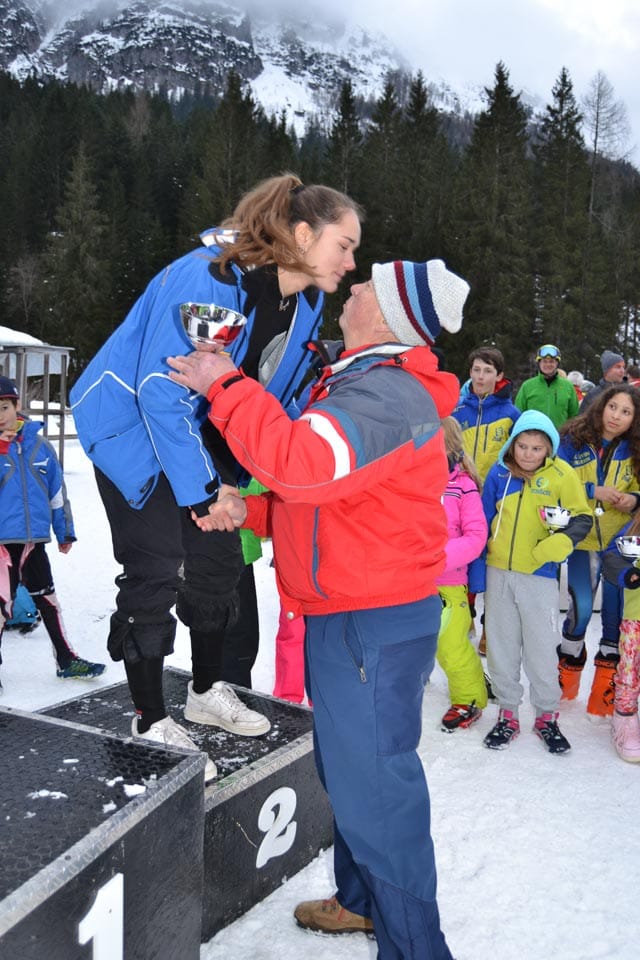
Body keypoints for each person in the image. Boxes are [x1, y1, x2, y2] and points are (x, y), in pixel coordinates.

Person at [167, 257, 470, 960]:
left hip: (370, 623)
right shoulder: (369, 384)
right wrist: (252, 510)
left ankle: (417, 948)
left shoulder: (385, 393)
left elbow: (302, 466)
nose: (352, 287)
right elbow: (334, 499)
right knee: (350, 774)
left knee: (379, 796)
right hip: (354, 615)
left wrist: (227, 385)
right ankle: (362, 903)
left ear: (386, 314)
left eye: (367, 285)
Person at [70, 174, 362, 781]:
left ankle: (205, 691)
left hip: (206, 436)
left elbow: (274, 390)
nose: (351, 262)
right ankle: (150, 718)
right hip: (134, 429)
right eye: (344, 244)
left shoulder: (306, 302)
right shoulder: (213, 280)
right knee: (156, 564)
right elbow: (161, 392)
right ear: (302, 235)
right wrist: (205, 493)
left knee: (218, 563)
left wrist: (260, 468)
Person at [481, 410, 592, 752]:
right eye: (522, 446)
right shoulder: (499, 472)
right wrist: (476, 567)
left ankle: (546, 715)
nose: (528, 454)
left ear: (549, 449)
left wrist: (559, 544)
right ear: (513, 445)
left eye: (536, 448)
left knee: (541, 648)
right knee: (501, 645)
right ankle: (508, 713)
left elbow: (582, 516)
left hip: (539, 576)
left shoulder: (562, 474)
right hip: (499, 572)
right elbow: (483, 520)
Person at [0, 376, 105, 687]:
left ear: (17, 406)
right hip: (3, 546)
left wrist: (64, 531)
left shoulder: (40, 446)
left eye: (4, 407)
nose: (0, 415)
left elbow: (56, 493)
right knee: (1, 606)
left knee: (47, 600)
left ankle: (66, 660)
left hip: (34, 542)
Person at [556, 385, 640, 717]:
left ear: (634, 419)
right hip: (583, 538)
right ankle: (567, 673)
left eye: (626, 412)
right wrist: (594, 491)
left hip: (620, 541)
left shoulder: (636, 448)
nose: (616, 416)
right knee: (580, 607)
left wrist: (634, 499)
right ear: (601, 406)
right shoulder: (573, 440)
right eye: (613, 407)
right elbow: (555, 481)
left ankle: (606, 686)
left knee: (615, 615)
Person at [437, 417, 488, 731]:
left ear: (450, 447)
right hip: (411, 581)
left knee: (450, 643)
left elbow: (476, 536)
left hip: (448, 581)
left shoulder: (462, 486)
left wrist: (439, 558)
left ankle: (469, 698)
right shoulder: (409, 481)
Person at [452, 345, 520, 482]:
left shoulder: (512, 415)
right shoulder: (455, 409)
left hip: (494, 487)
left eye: (488, 371)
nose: (480, 376)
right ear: (470, 372)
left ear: (499, 376)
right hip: (460, 485)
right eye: (476, 370)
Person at [601, 522, 640, 762]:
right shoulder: (635, 526)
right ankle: (625, 719)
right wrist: (628, 574)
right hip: (636, 615)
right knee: (629, 669)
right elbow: (611, 555)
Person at [514, 344, 579, 429]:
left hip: (560, 435)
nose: (548, 364)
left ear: (557, 363)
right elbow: (518, 415)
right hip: (534, 435)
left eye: (551, 361)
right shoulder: (527, 386)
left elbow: (574, 416)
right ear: (539, 363)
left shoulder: (568, 386)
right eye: (544, 361)